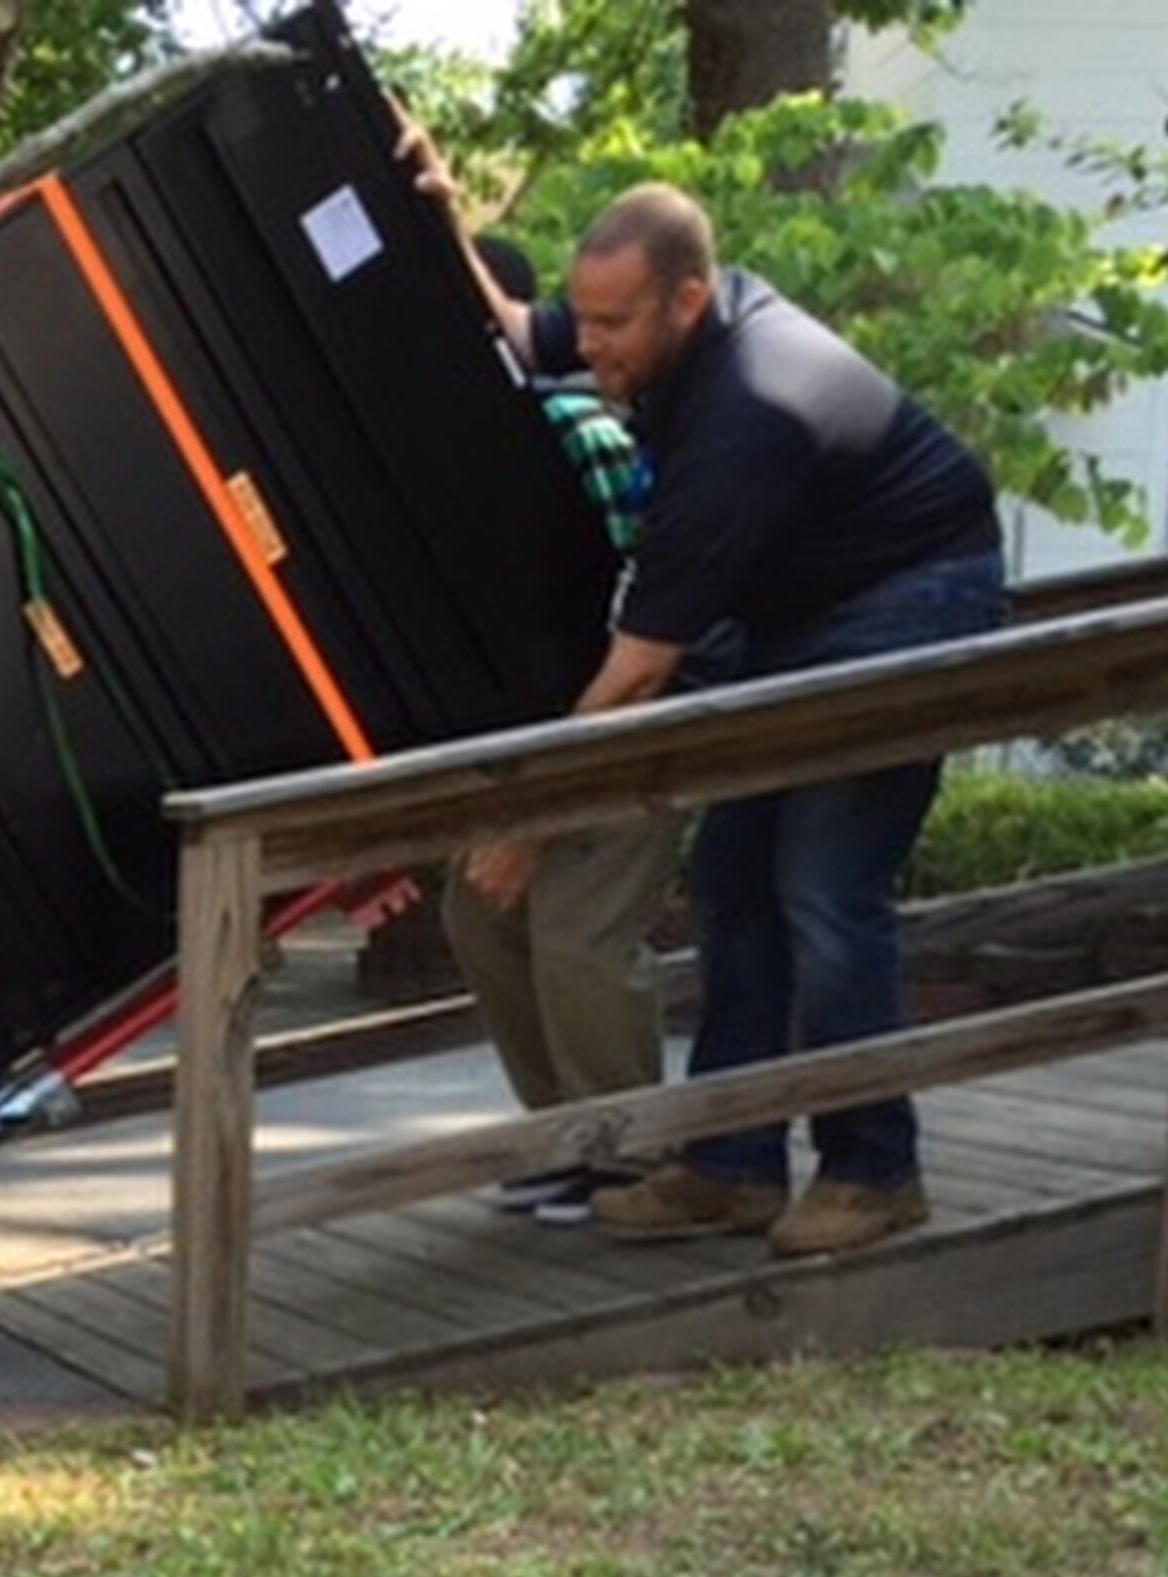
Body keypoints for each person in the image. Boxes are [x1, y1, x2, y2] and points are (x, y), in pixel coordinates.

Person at [414, 159, 1007, 1258]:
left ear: (689, 298)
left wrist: (532, 819)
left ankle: (877, 1169)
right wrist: (441, 209)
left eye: (612, 325)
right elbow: (511, 323)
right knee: (736, 879)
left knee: (824, 885)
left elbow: (639, 668)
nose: (589, 349)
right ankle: (731, 1163)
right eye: (584, 319)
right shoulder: (656, 338)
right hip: (799, 618)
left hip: (911, 600)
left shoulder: (752, 408)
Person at [444, 235, 672, 1229]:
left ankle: (631, 1156)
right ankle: (567, 1135)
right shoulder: (449, 438)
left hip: (624, 714)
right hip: (527, 727)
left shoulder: (580, 425)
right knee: (478, 914)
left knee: (583, 932)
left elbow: (650, 570)